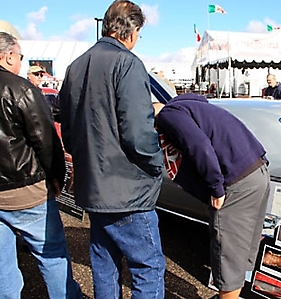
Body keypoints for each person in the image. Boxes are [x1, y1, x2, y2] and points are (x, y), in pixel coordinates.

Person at [59, 1, 166, 298]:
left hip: (93, 186)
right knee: (148, 267)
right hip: (127, 192)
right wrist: (158, 162)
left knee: (104, 264)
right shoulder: (127, 63)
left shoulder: (75, 65)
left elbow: (66, 125)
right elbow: (138, 131)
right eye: (139, 34)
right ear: (131, 31)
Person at [153, 93, 270, 299]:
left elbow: (198, 146)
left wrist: (215, 187)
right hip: (258, 171)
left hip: (236, 182)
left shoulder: (167, 115)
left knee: (228, 257)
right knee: (241, 252)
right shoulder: (192, 107)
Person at [0, 31, 83, 298]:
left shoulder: (19, 88)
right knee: (52, 254)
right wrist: (58, 177)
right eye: (20, 57)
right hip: (25, 190)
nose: (21, 63)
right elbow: (45, 140)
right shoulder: (20, 89)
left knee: (2, 266)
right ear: (8, 55)